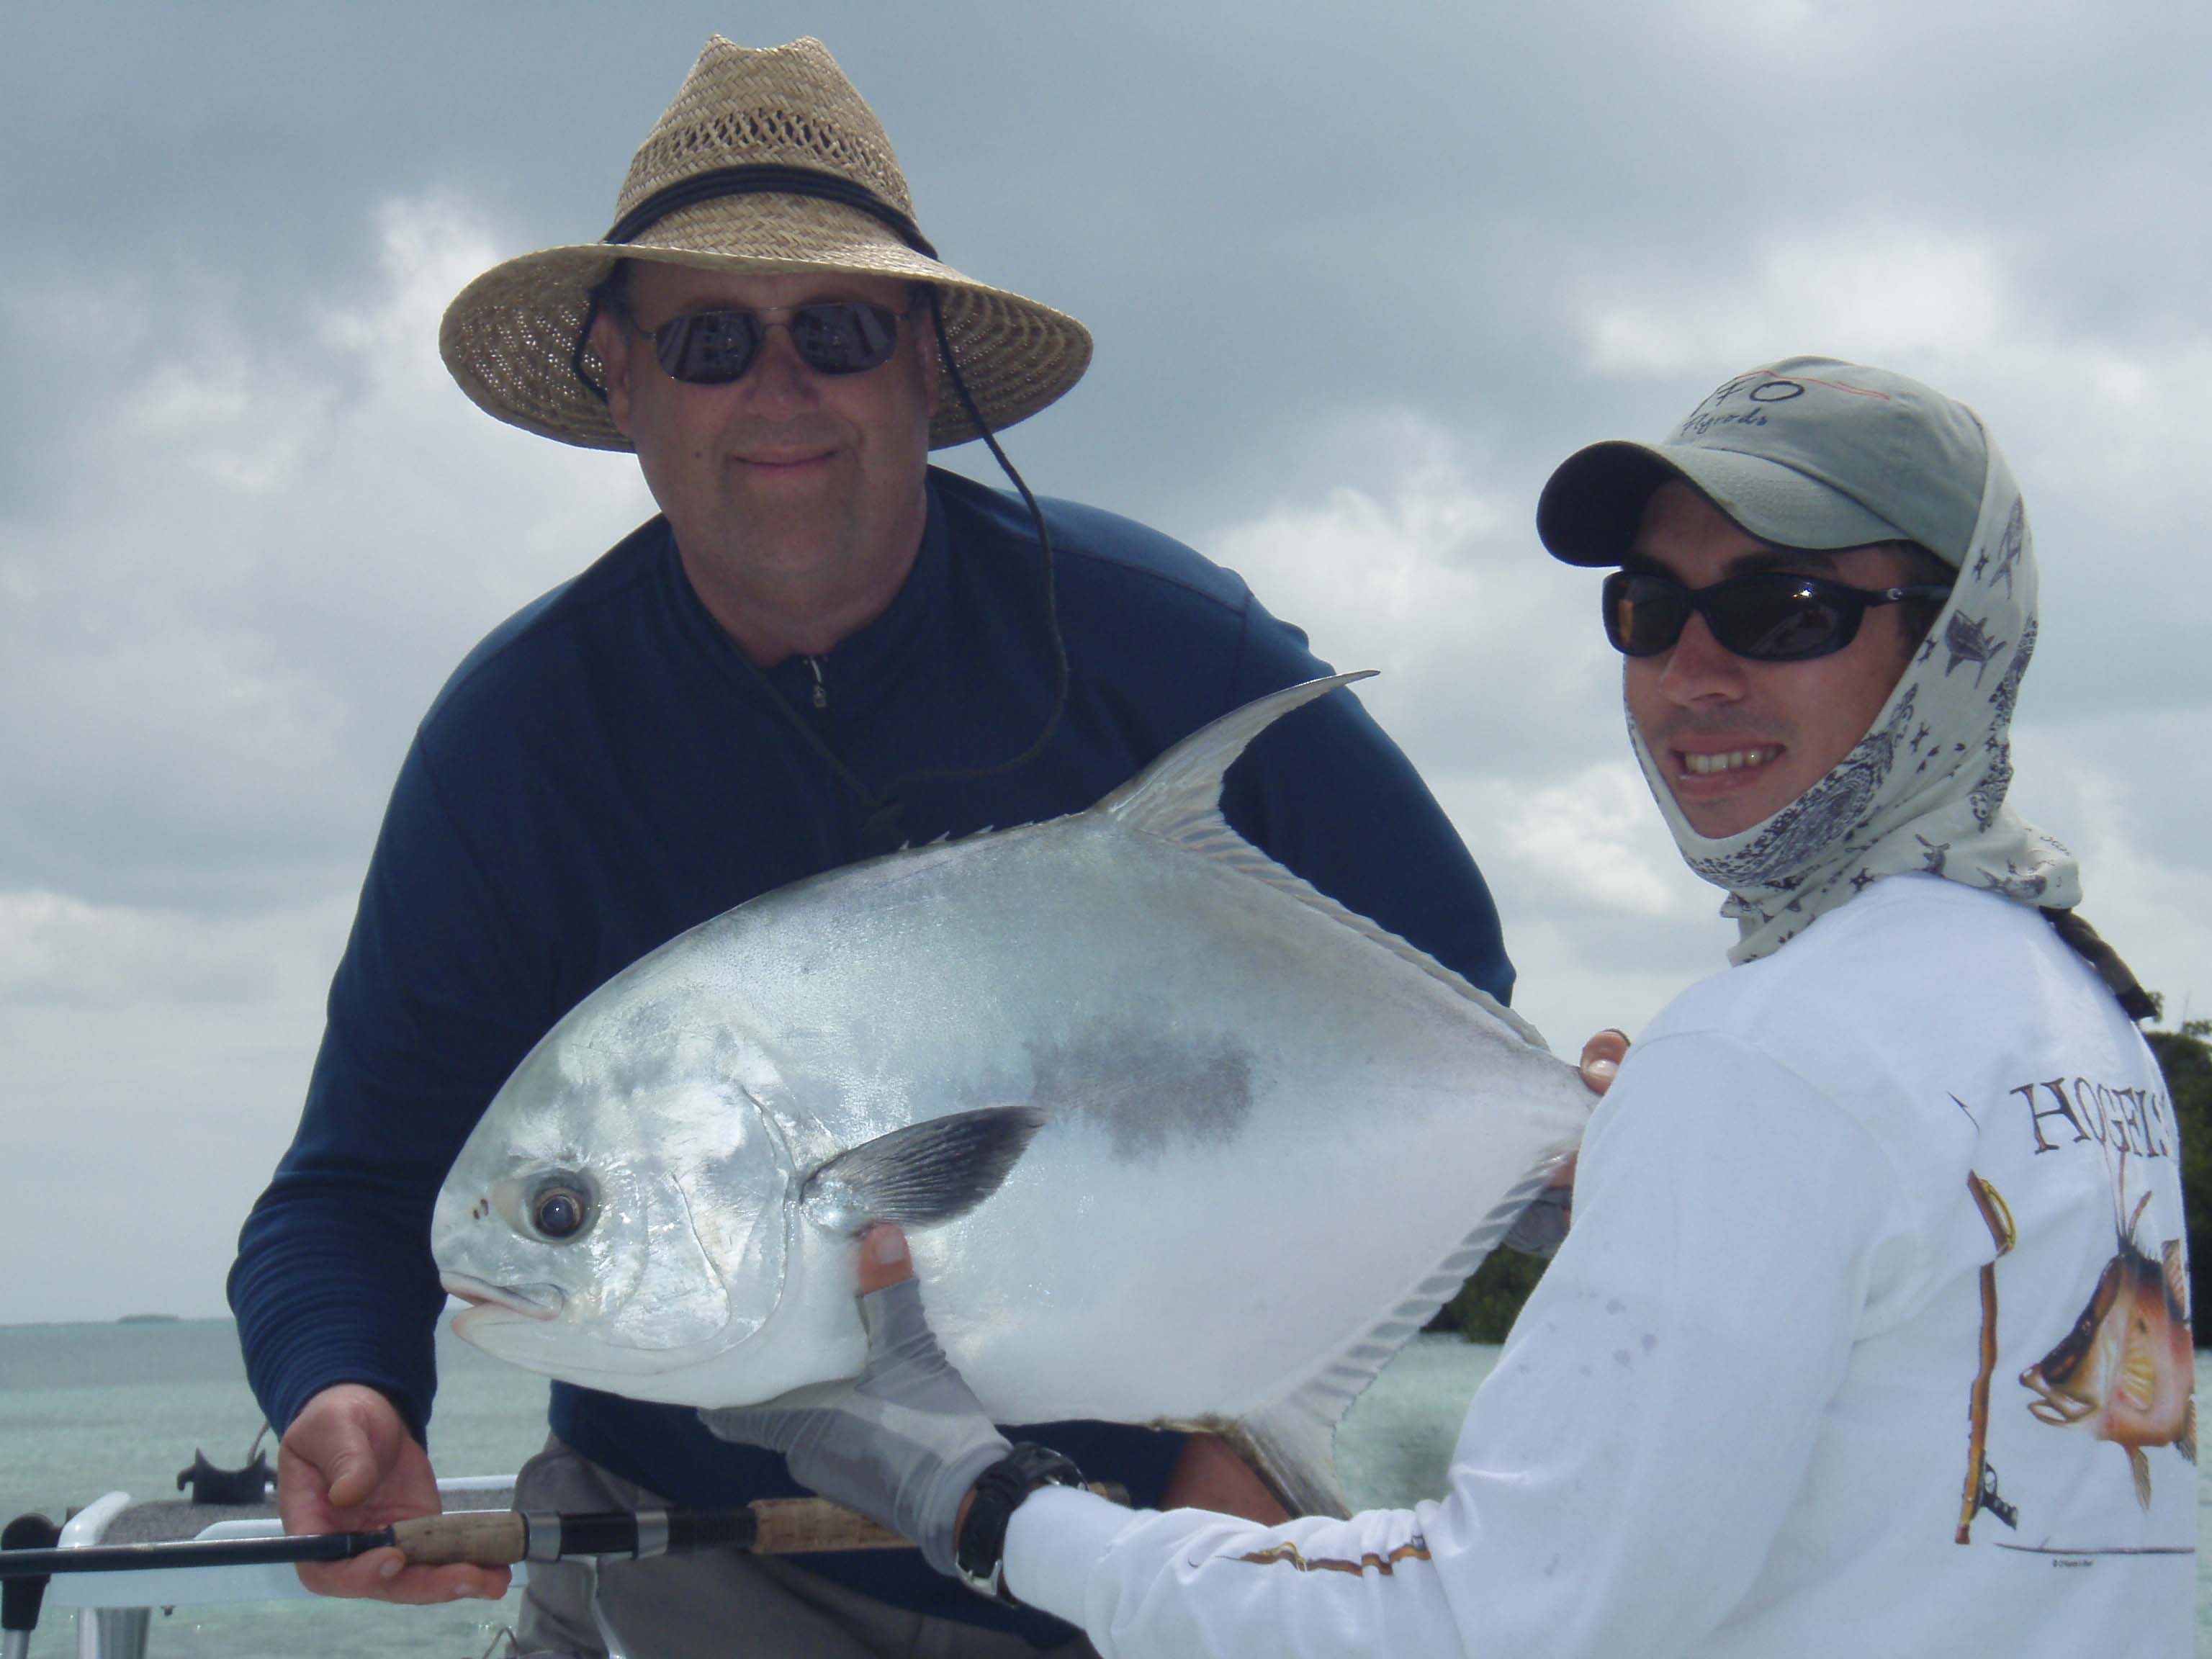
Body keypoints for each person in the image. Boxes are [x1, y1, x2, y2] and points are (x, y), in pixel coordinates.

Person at [225, 35, 1519, 1659]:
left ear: (926, 366)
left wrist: (1251, 1440)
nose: (779, 389)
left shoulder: (1167, 650)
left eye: (833, 331)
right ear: (622, 379)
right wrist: (340, 1383)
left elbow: (1448, 999)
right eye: (711, 340)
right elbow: (353, 1180)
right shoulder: (522, 743)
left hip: (1137, 1576)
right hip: (688, 1577)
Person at [722, 357, 2195, 1656]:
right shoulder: (2073, 1012)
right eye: (1650, 607)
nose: (1693, 673)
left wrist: (986, 1505)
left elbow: (1482, 1623)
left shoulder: (1777, 1057)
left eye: (1785, 610)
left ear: (1954, 640)